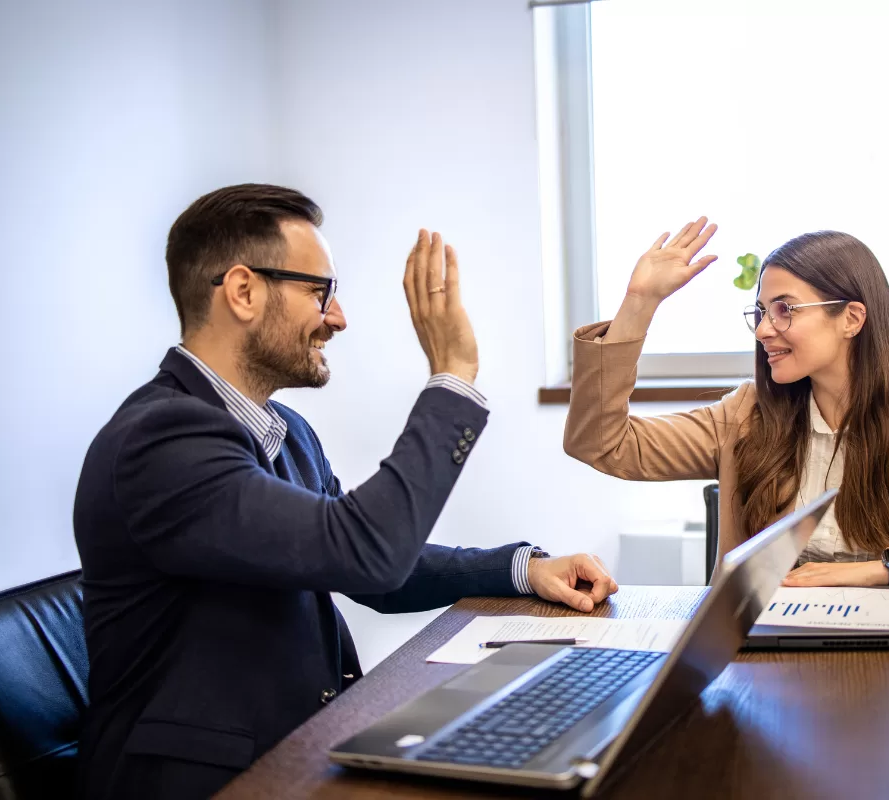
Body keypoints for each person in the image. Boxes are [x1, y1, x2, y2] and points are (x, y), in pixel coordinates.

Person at [73, 184, 618, 799]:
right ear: (243, 291)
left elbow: (364, 567)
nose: (338, 317)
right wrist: (453, 376)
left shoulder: (287, 432)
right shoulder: (161, 440)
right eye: (320, 290)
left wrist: (521, 570)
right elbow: (366, 549)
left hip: (300, 749)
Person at [564, 218, 889, 597]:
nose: (763, 329)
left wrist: (885, 568)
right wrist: (638, 304)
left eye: (785, 309)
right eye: (760, 312)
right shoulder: (742, 418)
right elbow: (601, 444)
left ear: (851, 318)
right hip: (764, 661)